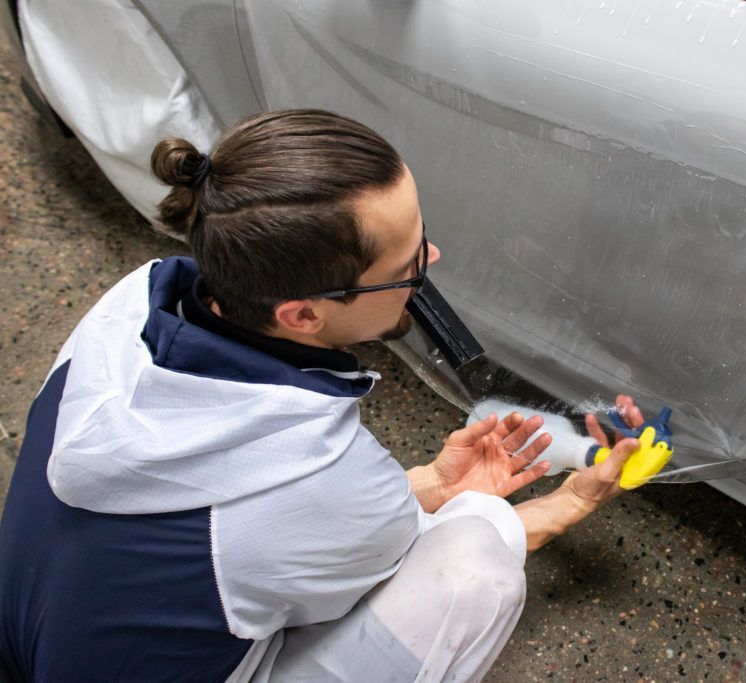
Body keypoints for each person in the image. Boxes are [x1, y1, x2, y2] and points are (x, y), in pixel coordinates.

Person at [0, 110, 644, 682]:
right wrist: (552, 506)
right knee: (475, 571)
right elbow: (333, 527)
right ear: (302, 316)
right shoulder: (329, 485)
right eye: (407, 266)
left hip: (33, 637)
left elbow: (279, 527)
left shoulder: (127, 308)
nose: (433, 257)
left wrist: (428, 491)